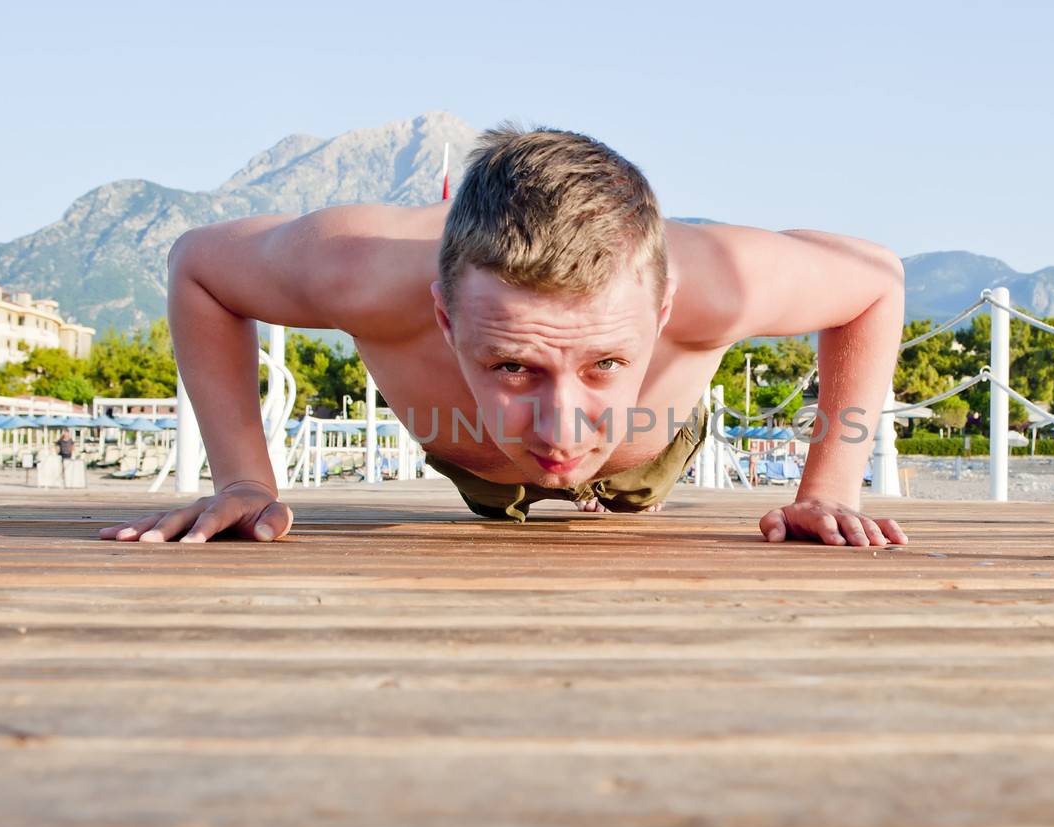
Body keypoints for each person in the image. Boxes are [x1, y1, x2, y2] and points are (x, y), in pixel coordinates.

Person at [99, 125, 907, 547]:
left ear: (661, 317)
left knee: (617, 456)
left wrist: (829, 488)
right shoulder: (357, 271)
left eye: (605, 363)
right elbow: (197, 265)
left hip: (646, 456)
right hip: (474, 464)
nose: (560, 431)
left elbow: (874, 279)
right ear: (444, 318)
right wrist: (245, 481)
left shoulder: (721, 280)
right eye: (514, 364)